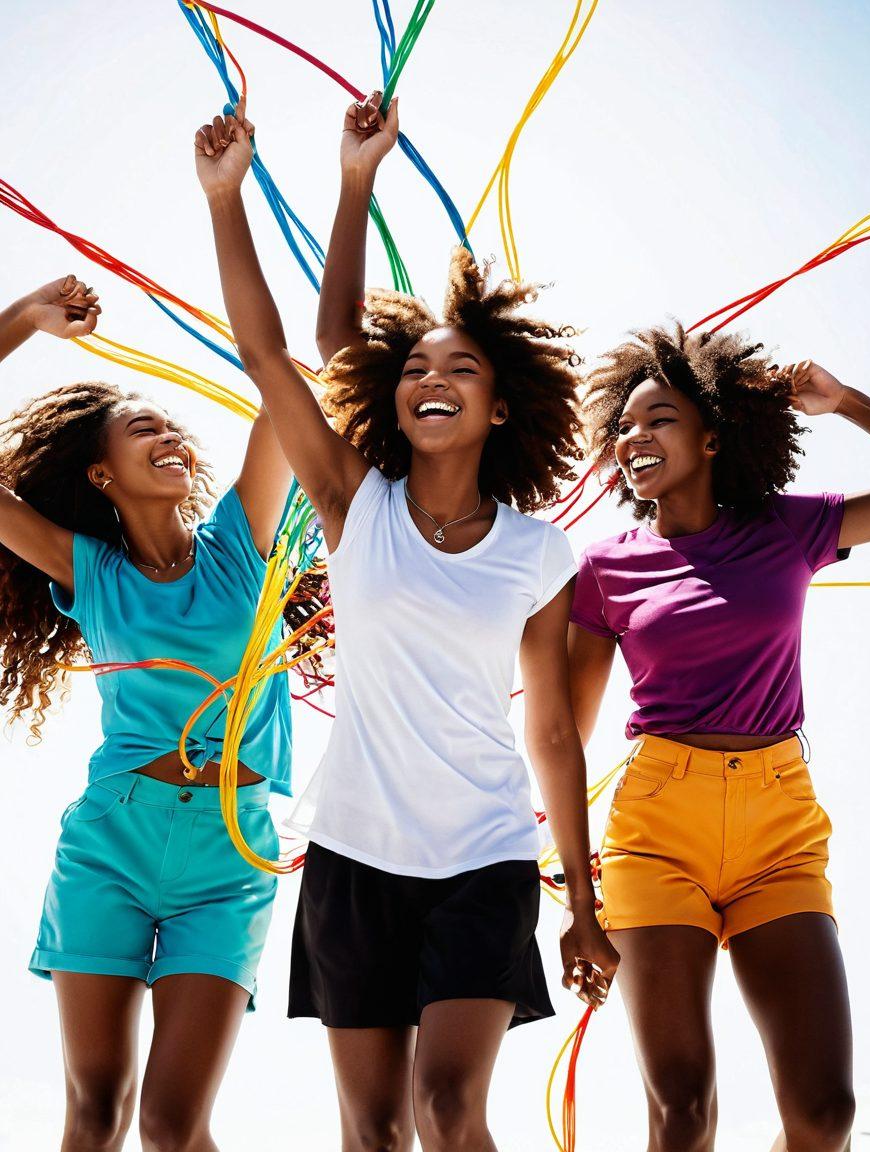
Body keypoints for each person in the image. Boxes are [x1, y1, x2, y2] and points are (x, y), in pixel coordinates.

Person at [196, 92, 614, 1152]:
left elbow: (554, 731)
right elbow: (270, 357)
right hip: (352, 856)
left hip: (481, 857)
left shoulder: (535, 552)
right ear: (392, 397)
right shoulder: (353, 503)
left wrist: (581, 899)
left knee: (447, 1110)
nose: (433, 377)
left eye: (460, 368)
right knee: (374, 1128)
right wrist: (224, 198)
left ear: (501, 405)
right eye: (417, 367)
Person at [568, 322, 870, 1152]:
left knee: (826, 1117)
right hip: (656, 829)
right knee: (681, 1114)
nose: (635, 437)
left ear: (712, 437)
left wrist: (847, 401)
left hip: (779, 827)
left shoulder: (788, 529)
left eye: (660, 420)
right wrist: (575, 893)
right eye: (626, 426)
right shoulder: (606, 568)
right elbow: (566, 734)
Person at [0, 274, 295, 1152]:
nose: (169, 436)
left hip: (229, 854)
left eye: (171, 428)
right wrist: (20, 321)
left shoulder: (243, 546)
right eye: (143, 429)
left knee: (171, 1126)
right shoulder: (87, 570)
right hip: (111, 846)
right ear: (101, 472)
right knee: (94, 1117)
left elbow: (284, 383)